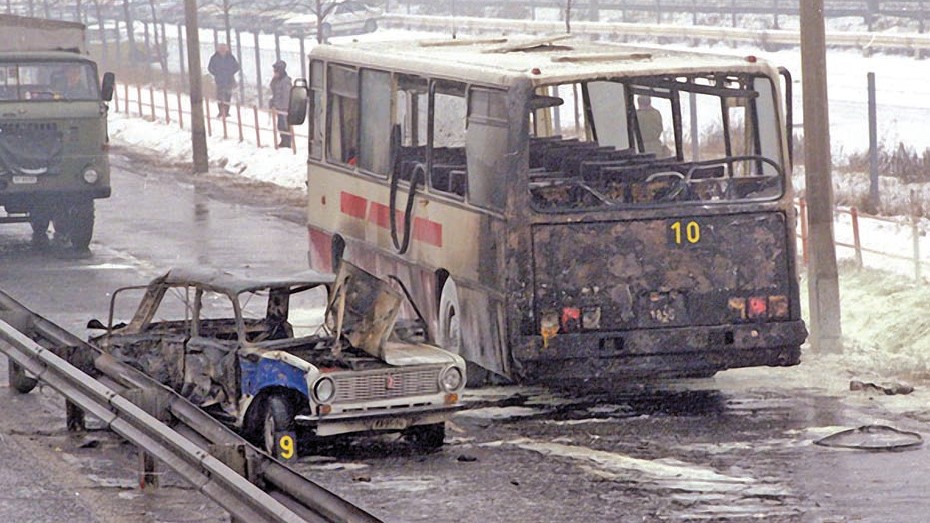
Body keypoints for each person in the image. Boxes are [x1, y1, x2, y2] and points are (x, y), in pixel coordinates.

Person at [207, 43, 239, 118]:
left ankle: (227, 112)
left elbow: (237, 66)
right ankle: (221, 112)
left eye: (224, 49)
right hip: (219, 80)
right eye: (221, 49)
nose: (222, 50)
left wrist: (231, 73)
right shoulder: (214, 58)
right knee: (220, 96)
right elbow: (210, 68)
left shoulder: (230, 57)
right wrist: (216, 74)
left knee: (228, 96)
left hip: (229, 80)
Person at [269, 60, 292, 148]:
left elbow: (286, 96)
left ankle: (287, 142)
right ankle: (283, 140)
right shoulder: (277, 80)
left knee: (285, 126)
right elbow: (274, 90)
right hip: (279, 107)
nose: (274, 72)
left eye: (276, 70)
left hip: (284, 108)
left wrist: (283, 108)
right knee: (280, 125)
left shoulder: (285, 82)